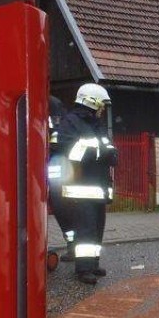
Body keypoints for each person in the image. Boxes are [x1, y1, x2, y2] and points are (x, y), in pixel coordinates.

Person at [56, 83, 116, 285]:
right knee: (86, 228)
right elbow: (67, 150)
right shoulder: (70, 122)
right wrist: (99, 153)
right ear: (91, 102)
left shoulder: (95, 125)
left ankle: (93, 263)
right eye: (101, 105)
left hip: (98, 186)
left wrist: (109, 154)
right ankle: (83, 269)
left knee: (97, 227)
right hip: (81, 188)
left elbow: (109, 149)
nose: (102, 110)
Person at [47, 96, 77, 262]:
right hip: (43, 165)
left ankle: (73, 245)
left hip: (55, 166)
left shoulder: (53, 104)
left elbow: (60, 138)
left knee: (61, 206)